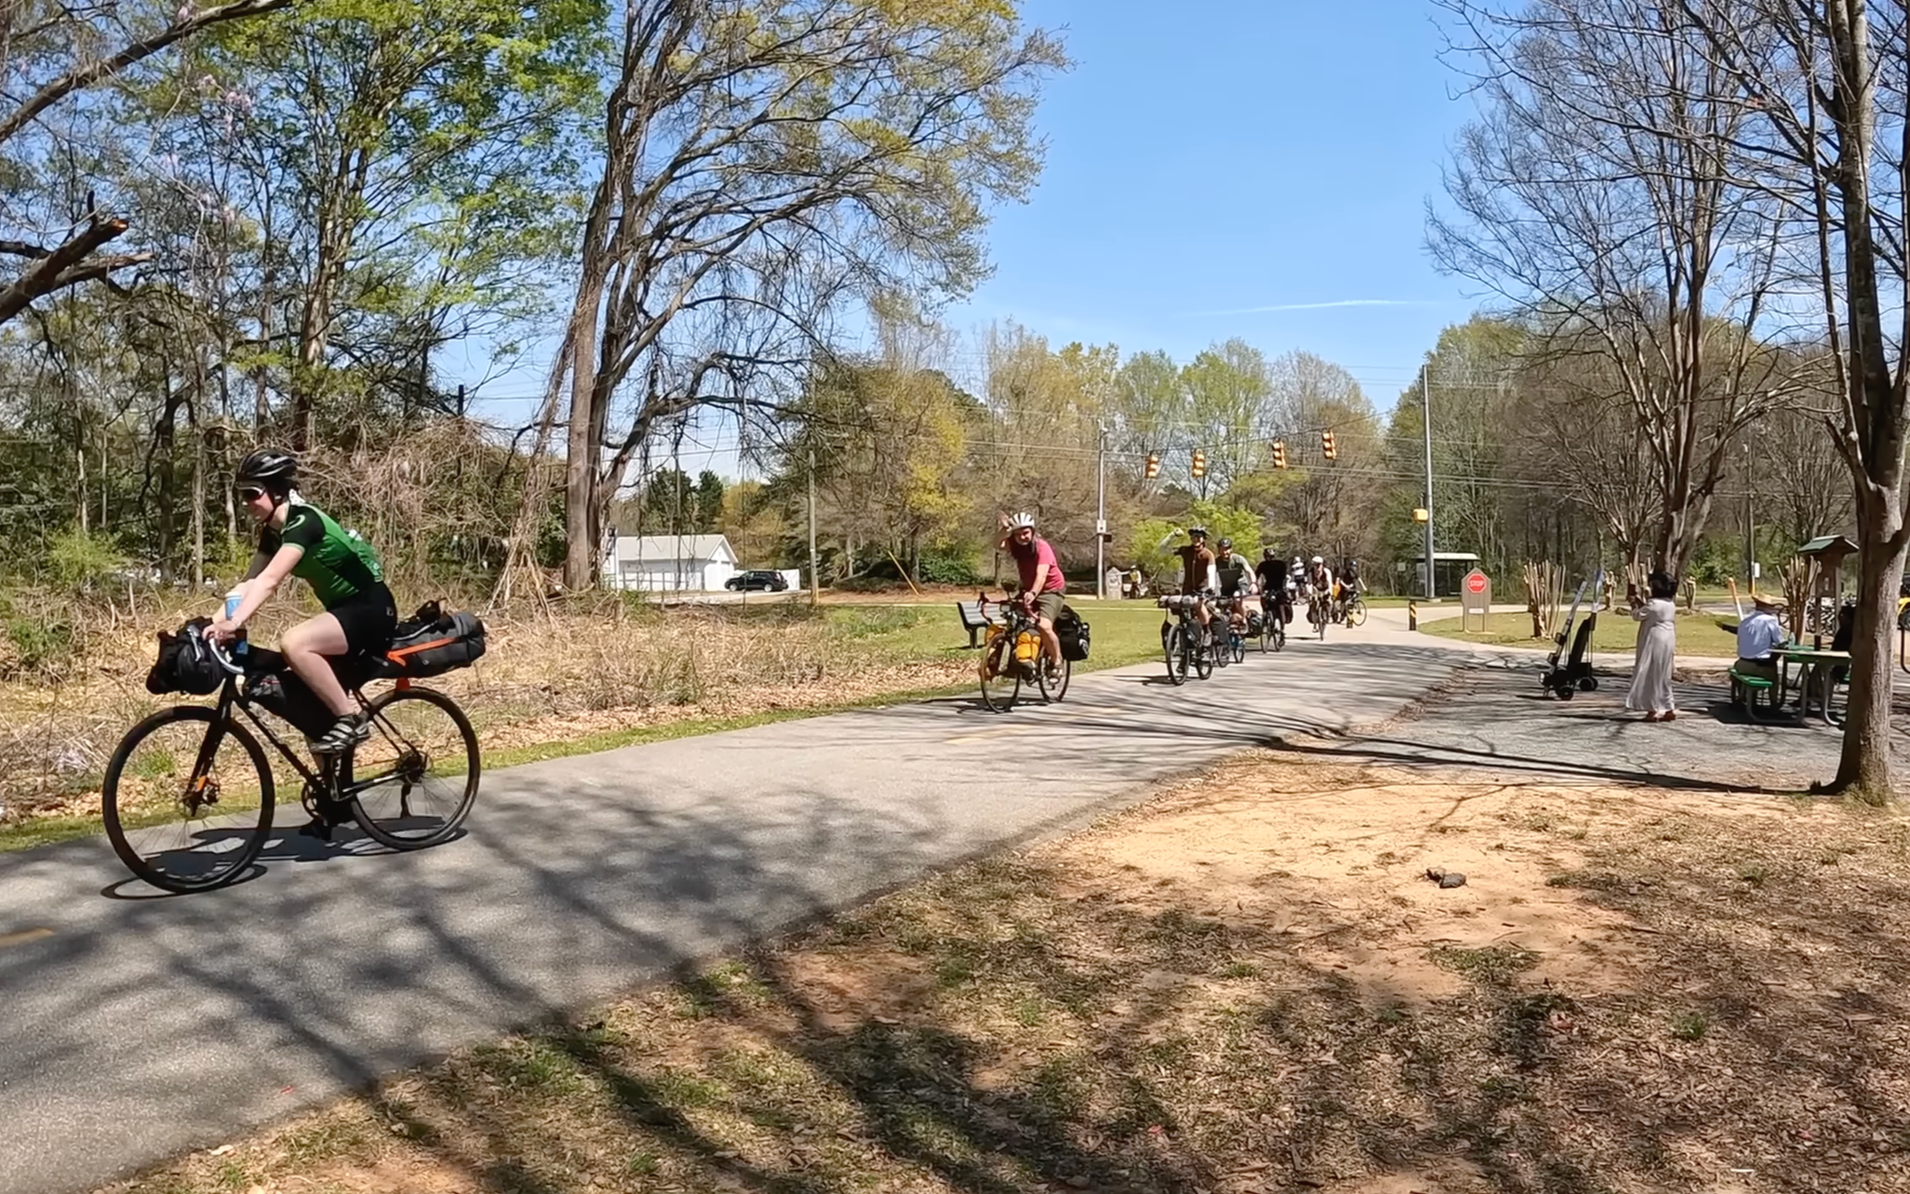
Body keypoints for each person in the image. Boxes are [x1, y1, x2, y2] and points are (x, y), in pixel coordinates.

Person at [211, 450, 397, 754]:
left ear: (277, 492)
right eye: (241, 494)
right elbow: (248, 584)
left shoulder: (304, 521)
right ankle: (336, 801)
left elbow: (269, 581)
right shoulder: (273, 532)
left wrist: (235, 622)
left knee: (295, 643)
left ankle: (351, 720)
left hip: (371, 609)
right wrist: (212, 622)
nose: (246, 502)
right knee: (312, 719)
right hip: (343, 612)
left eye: (252, 493)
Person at [997, 511, 1065, 674]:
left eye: (1026, 533)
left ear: (1032, 531)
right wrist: (1004, 530)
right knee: (1013, 622)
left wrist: (1033, 593)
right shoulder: (1015, 545)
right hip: (1028, 589)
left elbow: (1041, 576)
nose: (1022, 537)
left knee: (1044, 626)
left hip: (1051, 591)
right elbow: (996, 544)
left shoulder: (1042, 547)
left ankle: (1057, 661)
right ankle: (1020, 662)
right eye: (1018, 534)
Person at [1625, 570, 1679, 722]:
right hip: (1668, 637)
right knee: (1663, 673)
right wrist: (1638, 600)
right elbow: (1648, 610)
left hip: (1654, 638)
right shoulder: (1670, 603)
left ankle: (1652, 709)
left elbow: (1638, 615)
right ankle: (1669, 707)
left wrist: (1632, 602)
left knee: (1650, 672)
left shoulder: (1654, 604)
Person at [1173, 527, 1219, 643]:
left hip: (1202, 588)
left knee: (1198, 605)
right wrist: (1171, 536)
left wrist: (1210, 587)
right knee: (1182, 610)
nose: (1196, 539)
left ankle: (1206, 630)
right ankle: (1186, 642)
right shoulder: (1186, 551)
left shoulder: (1208, 554)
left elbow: (1211, 571)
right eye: (1193, 537)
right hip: (1187, 588)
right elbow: (1162, 551)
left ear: (1203, 539)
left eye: (1199, 537)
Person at [1734, 593, 1788, 686]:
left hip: (1742, 664)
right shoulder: (1770, 621)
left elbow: (1739, 642)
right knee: (1774, 678)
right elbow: (1780, 642)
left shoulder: (1744, 622)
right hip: (1760, 666)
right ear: (1766, 607)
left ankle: (1743, 696)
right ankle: (1774, 700)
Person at [1213, 538, 1252, 632]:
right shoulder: (1216, 562)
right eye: (1222, 549)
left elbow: (1249, 570)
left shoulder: (1238, 559)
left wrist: (1253, 583)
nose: (1225, 552)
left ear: (1231, 549)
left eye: (1227, 549)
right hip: (1225, 587)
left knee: (1237, 597)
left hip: (1240, 585)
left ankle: (1243, 621)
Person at [1255, 548, 1291, 626]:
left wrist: (1284, 587)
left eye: (1271, 557)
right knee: (1264, 600)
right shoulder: (1263, 565)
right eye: (1268, 557)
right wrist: (1255, 585)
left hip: (1279, 587)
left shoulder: (1280, 564)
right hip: (1269, 587)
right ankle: (1265, 615)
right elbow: (1256, 576)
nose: (1270, 559)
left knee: (1281, 605)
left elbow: (1284, 576)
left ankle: (1282, 628)